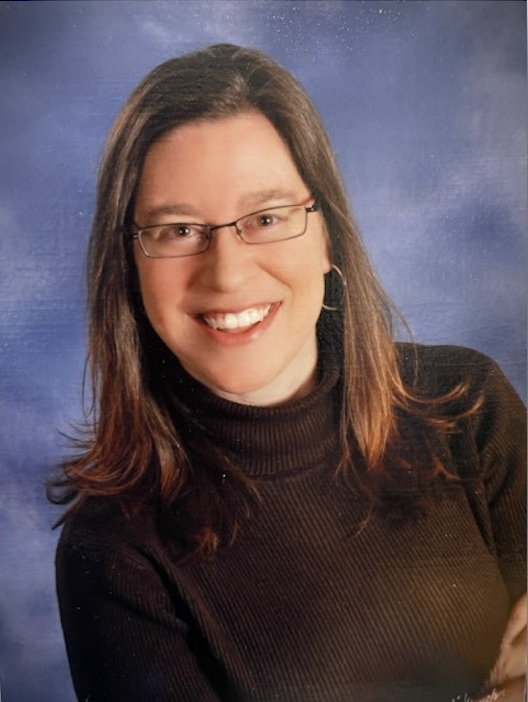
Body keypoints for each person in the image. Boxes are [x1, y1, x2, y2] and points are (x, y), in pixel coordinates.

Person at [50, 44, 526, 702]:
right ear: (127, 265)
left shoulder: (469, 409)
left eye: (267, 218)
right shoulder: (113, 553)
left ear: (330, 234)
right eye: (179, 230)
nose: (227, 273)